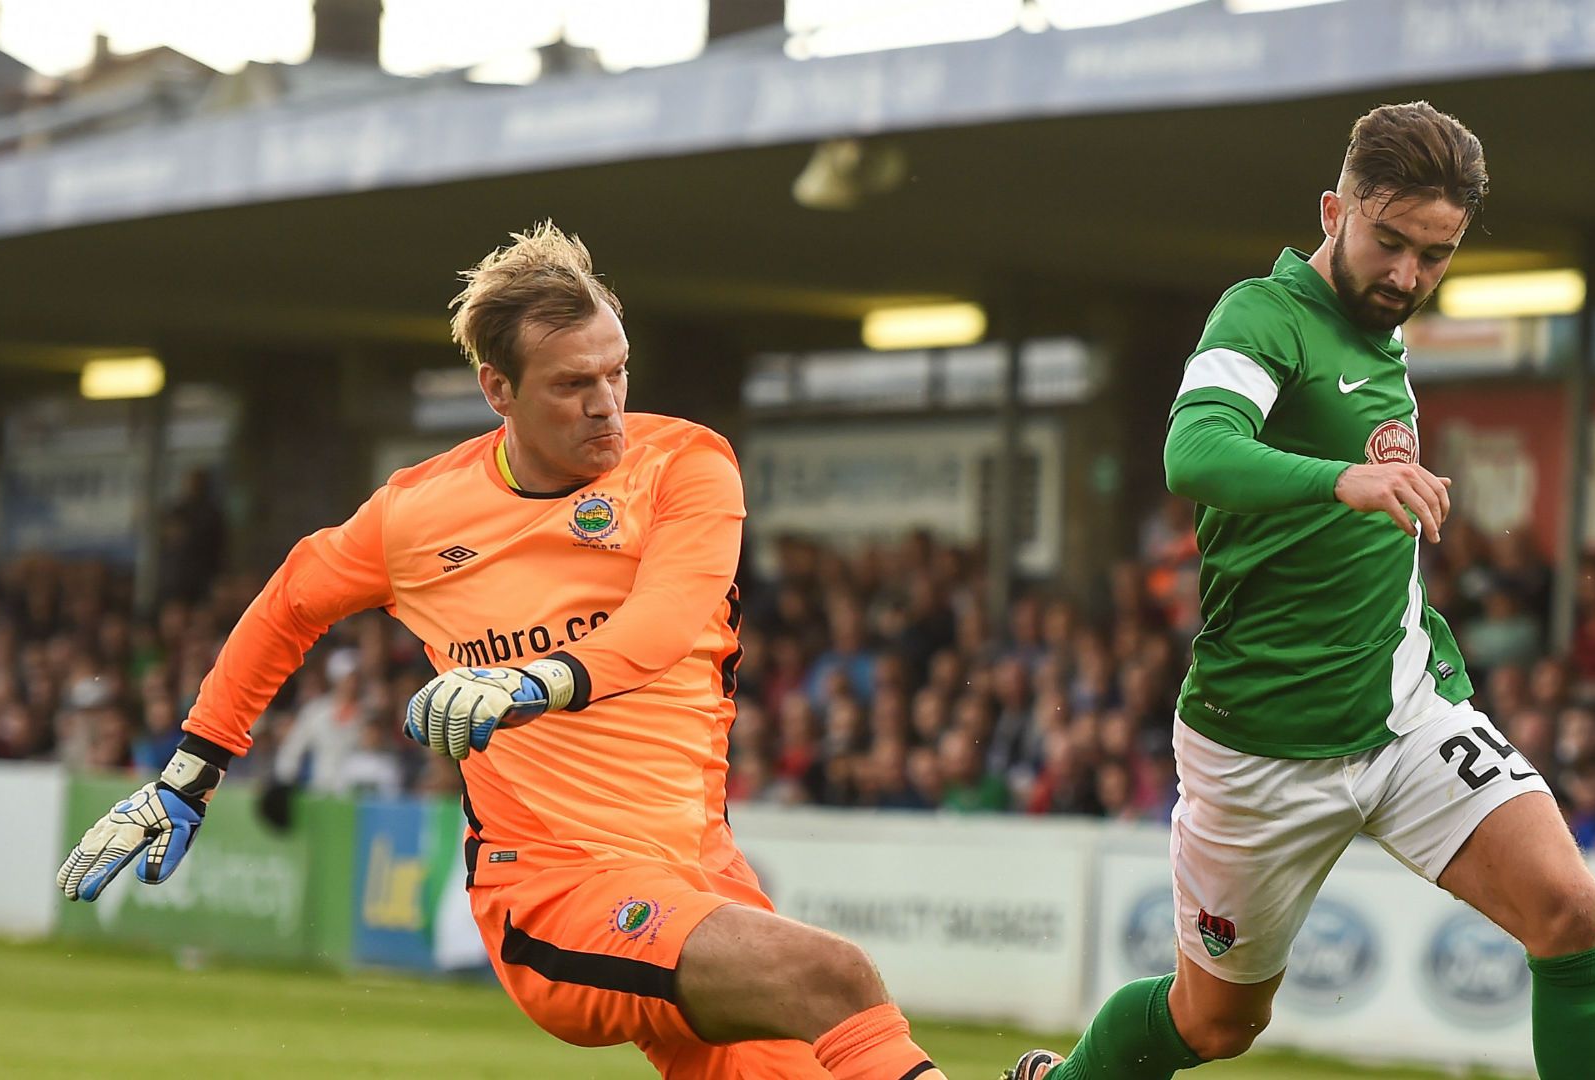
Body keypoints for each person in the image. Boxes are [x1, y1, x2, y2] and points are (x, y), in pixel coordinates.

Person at [57, 223, 944, 1080]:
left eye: (617, 371)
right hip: (554, 890)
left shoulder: (686, 465)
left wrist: (533, 681)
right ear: (498, 390)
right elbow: (290, 601)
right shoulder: (417, 514)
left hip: (699, 871)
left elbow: (666, 620)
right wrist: (192, 769)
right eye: (572, 384)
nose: (607, 404)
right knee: (833, 978)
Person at [1013, 103, 1595, 1080]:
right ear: (1334, 208)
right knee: (1213, 1025)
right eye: (1390, 243)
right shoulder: (1262, 315)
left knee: (1570, 911)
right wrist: (1338, 479)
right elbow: (1193, 449)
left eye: (1436, 255)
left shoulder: (1384, 336)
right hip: (1257, 748)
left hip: (1404, 714)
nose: (1408, 277)